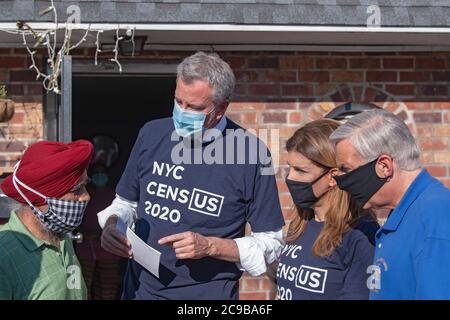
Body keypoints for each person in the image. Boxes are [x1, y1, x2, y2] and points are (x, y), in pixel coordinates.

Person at [97, 51, 285, 300]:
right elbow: (125, 203)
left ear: (220, 109)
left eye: (195, 107)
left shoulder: (250, 153)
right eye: (178, 102)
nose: (182, 112)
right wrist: (112, 225)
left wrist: (210, 246)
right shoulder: (152, 133)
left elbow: (272, 243)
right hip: (139, 291)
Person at [330, 108, 450, 300]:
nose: (340, 181)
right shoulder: (406, 211)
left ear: (384, 166)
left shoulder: (436, 216)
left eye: (346, 169)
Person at [275, 119, 377, 300]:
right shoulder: (301, 224)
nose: (290, 178)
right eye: (290, 168)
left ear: (333, 177)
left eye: (300, 170)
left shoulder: (361, 235)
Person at [0, 140, 93, 300]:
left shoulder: (62, 237)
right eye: (77, 189)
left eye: (85, 186)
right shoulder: (4, 257)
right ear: (40, 198)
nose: (86, 197)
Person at [74, 163, 125, 300]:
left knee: (108, 289)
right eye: (96, 173)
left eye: (102, 173)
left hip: (109, 249)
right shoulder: (85, 194)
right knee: (83, 287)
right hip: (85, 247)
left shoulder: (115, 196)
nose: (99, 176)